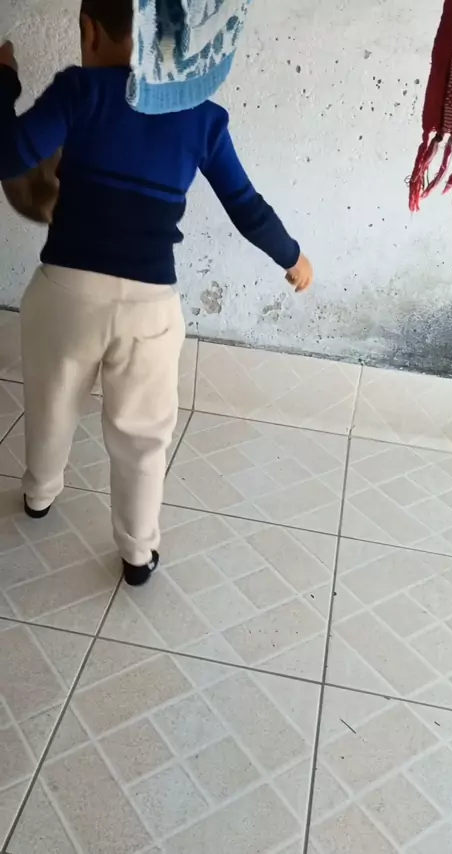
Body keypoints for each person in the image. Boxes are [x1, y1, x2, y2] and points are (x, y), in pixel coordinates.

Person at [0, 0, 314, 587]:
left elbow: (7, 153)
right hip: (151, 309)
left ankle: (39, 493)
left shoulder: (79, 92)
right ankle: (137, 552)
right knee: (143, 439)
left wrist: (4, 81)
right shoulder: (203, 118)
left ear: (89, 31)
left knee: (50, 403)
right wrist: (292, 256)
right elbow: (246, 207)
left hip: (65, 293)